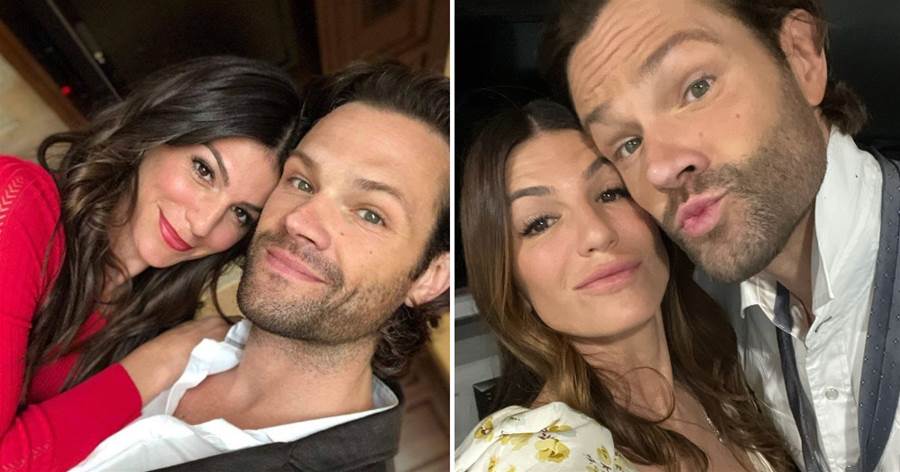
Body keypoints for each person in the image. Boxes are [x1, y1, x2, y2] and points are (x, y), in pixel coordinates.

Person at [544, 0, 899, 471]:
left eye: (697, 88)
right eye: (628, 144)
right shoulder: (719, 323)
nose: (660, 168)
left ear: (801, 56)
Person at [69, 61, 451, 471]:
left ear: (430, 276)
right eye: (301, 182)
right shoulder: (157, 316)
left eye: (370, 214)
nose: (299, 220)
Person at [0, 55, 302, 471]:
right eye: (204, 171)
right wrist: (155, 364)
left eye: (240, 214)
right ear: (159, 130)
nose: (203, 223)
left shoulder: (148, 323)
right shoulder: (19, 205)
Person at [455, 100, 792, 471]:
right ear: (511, 283)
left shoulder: (728, 374)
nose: (597, 232)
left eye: (611, 193)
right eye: (540, 223)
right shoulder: (534, 456)